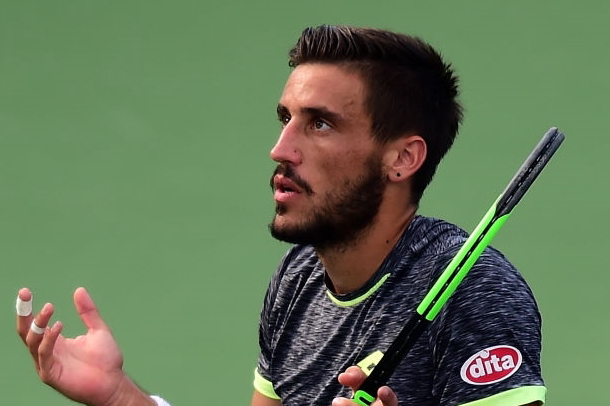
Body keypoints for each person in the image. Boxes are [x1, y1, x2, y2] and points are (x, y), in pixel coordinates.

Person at [15, 25, 545, 406]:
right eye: (286, 118)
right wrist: (122, 398)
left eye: (320, 125)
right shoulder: (300, 280)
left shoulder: (473, 288)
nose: (280, 148)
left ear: (402, 158)